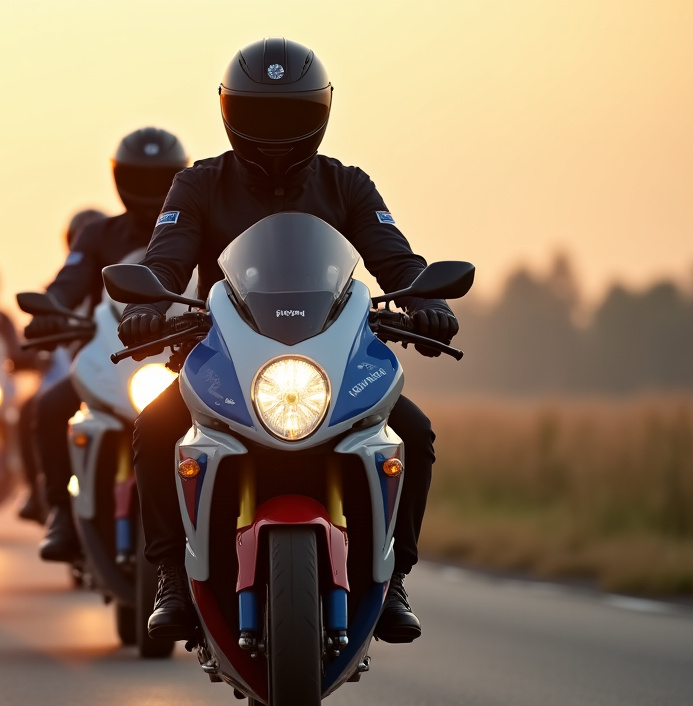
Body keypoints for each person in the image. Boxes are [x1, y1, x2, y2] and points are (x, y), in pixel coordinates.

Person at [120, 38, 459, 644]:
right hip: (225, 361)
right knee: (153, 428)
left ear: (321, 114)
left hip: (331, 360)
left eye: (290, 115)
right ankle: (172, 571)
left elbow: (397, 260)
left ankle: (392, 575)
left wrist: (425, 301)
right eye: (259, 115)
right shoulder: (197, 187)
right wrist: (148, 305)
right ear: (229, 113)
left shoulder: (348, 187)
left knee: (414, 433)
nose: (274, 131)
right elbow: (165, 263)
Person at [22, 128, 189, 562]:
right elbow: (68, 282)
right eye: (141, 177)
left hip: (183, 355)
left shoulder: (194, 227)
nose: (152, 189)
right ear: (120, 178)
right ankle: (60, 509)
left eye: (162, 178)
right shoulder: (98, 235)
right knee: (49, 405)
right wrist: (52, 309)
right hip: (113, 354)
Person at [16, 208, 109, 525]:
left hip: (132, 374)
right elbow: (51, 306)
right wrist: (44, 322)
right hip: (81, 374)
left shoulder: (132, 283)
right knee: (40, 407)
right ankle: (54, 506)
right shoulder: (62, 291)